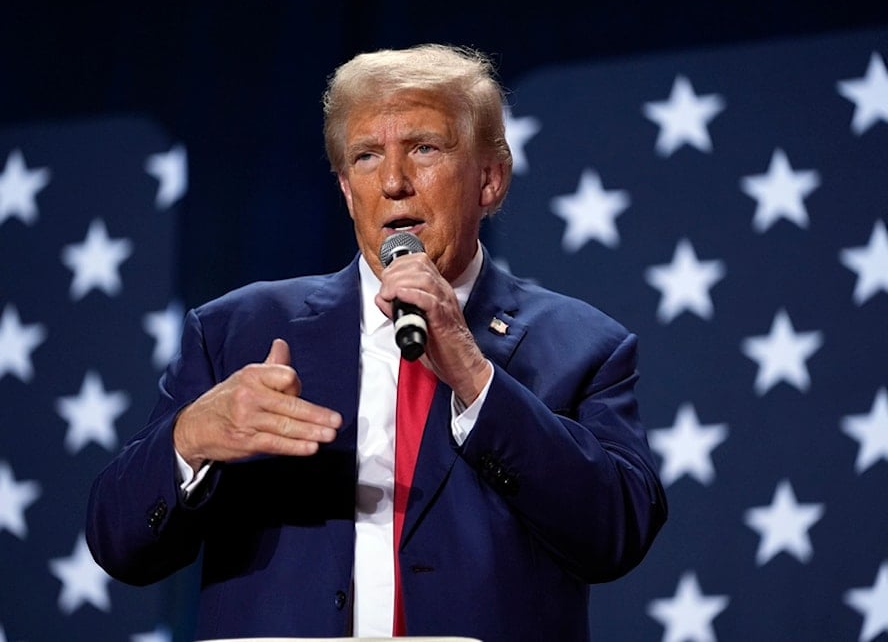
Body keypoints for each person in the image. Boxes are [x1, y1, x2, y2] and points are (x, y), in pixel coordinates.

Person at [86, 43, 667, 641]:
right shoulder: (237, 331)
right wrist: (189, 438)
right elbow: (119, 545)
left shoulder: (584, 346)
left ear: (490, 179)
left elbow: (614, 536)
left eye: (424, 148)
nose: (393, 182)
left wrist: (474, 375)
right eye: (366, 156)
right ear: (345, 190)